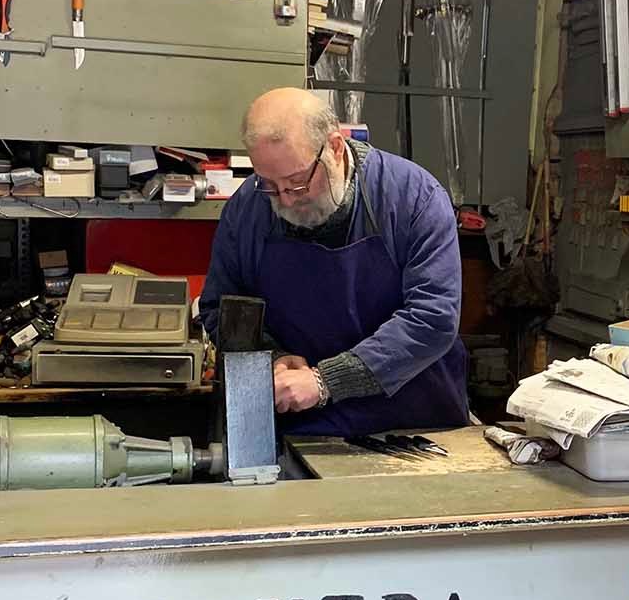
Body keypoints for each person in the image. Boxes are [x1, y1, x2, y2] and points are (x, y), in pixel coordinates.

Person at [199, 88, 469, 437]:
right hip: (305, 430)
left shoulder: (413, 198)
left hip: (414, 423)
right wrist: (273, 356)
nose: (285, 200)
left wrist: (325, 380)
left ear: (336, 148)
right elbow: (222, 310)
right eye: (269, 184)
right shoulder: (247, 211)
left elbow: (433, 319)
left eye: (297, 182)